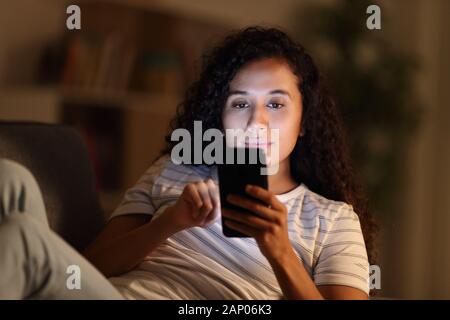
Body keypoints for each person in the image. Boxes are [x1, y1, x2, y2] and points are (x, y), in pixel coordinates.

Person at [0, 26, 376, 300]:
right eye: (240, 103)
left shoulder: (332, 220)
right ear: (221, 116)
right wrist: (171, 222)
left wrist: (278, 251)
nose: (255, 121)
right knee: (9, 177)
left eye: (276, 104)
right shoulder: (175, 168)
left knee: (23, 239)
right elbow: (90, 266)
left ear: (305, 120)